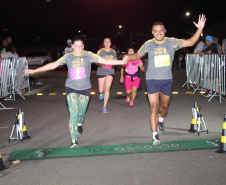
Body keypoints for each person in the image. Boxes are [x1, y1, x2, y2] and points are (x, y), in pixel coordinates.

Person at [24, 36, 128, 149]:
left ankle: (79, 123)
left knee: (81, 113)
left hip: (85, 89)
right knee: (73, 113)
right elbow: (53, 65)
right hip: (71, 88)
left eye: (80, 46)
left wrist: (121, 61)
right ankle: (74, 140)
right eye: (76, 46)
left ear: (83, 46)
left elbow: (106, 60)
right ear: (72, 46)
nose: (78, 48)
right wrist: (35, 70)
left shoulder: (88, 55)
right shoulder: (68, 57)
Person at [124, 14, 206, 145]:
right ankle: (155, 135)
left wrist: (200, 29)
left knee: (164, 106)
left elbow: (190, 42)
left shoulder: (171, 42)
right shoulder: (148, 44)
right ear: (152, 32)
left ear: (165, 31)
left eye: (161, 30)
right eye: (156, 31)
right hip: (152, 80)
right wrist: (127, 56)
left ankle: (161, 119)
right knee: (153, 107)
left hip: (167, 80)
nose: (158, 33)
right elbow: (137, 55)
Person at [96, 38, 117, 113]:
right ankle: (101, 93)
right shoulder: (100, 51)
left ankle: (104, 106)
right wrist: (101, 64)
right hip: (101, 71)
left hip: (110, 71)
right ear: (103, 43)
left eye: (108, 42)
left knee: (107, 88)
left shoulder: (113, 51)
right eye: (106, 42)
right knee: (101, 89)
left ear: (110, 43)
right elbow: (95, 61)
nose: (107, 43)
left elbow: (115, 61)